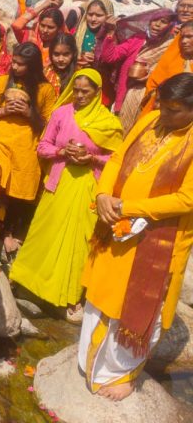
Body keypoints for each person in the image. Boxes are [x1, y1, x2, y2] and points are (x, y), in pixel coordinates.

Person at [79, 72, 193, 401]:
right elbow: (117, 158)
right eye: (162, 106)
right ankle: (91, 358)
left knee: (138, 306)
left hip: (160, 240)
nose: (164, 116)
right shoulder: (151, 120)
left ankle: (121, 372)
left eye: (174, 111)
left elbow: (186, 199)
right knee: (104, 292)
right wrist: (103, 194)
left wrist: (129, 206)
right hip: (119, 229)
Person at [10, 69, 123, 322]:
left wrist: (91, 157)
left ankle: (68, 297)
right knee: (45, 235)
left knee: (78, 242)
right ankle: (29, 286)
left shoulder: (108, 122)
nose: (80, 96)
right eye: (76, 90)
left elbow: (117, 159)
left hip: (88, 188)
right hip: (58, 183)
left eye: (86, 92)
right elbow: (43, 146)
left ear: (97, 93)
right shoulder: (62, 113)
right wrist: (63, 152)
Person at [0, 42, 56, 253]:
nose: (14, 67)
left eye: (21, 64)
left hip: (26, 145)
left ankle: (7, 232)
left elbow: (49, 124)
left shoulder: (45, 90)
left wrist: (28, 113)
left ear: (32, 67)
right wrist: (5, 110)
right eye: (14, 62)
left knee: (18, 190)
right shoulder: (2, 81)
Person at [100, 8, 176, 132]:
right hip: (125, 95)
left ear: (170, 25)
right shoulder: (138, 40)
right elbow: (110, 57)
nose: (157, 24)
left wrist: (151, 75)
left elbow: (173, 72)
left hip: (151, 100)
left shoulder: (171, 45)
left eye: (163, 21)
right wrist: (110, 33)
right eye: (154, 20)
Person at [140, 22, 193, 116]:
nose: (184, 41)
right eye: (182, 37)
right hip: (164, 113)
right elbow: (154, 85)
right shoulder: (172, 60)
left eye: (189, 37)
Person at [11, 0, 66, 66]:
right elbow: (16, 25)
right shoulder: (30, 37)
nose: (45, 30)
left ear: (59, 28)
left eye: (50, 27)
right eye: (42, 25)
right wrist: (44, 5)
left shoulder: (62, 44)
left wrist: (55, 8)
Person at [45, 33, 78, 97]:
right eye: (56, 54)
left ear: (74, 53)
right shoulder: (45, 73)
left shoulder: (79, 75)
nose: (60, 59)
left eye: (66, 54)